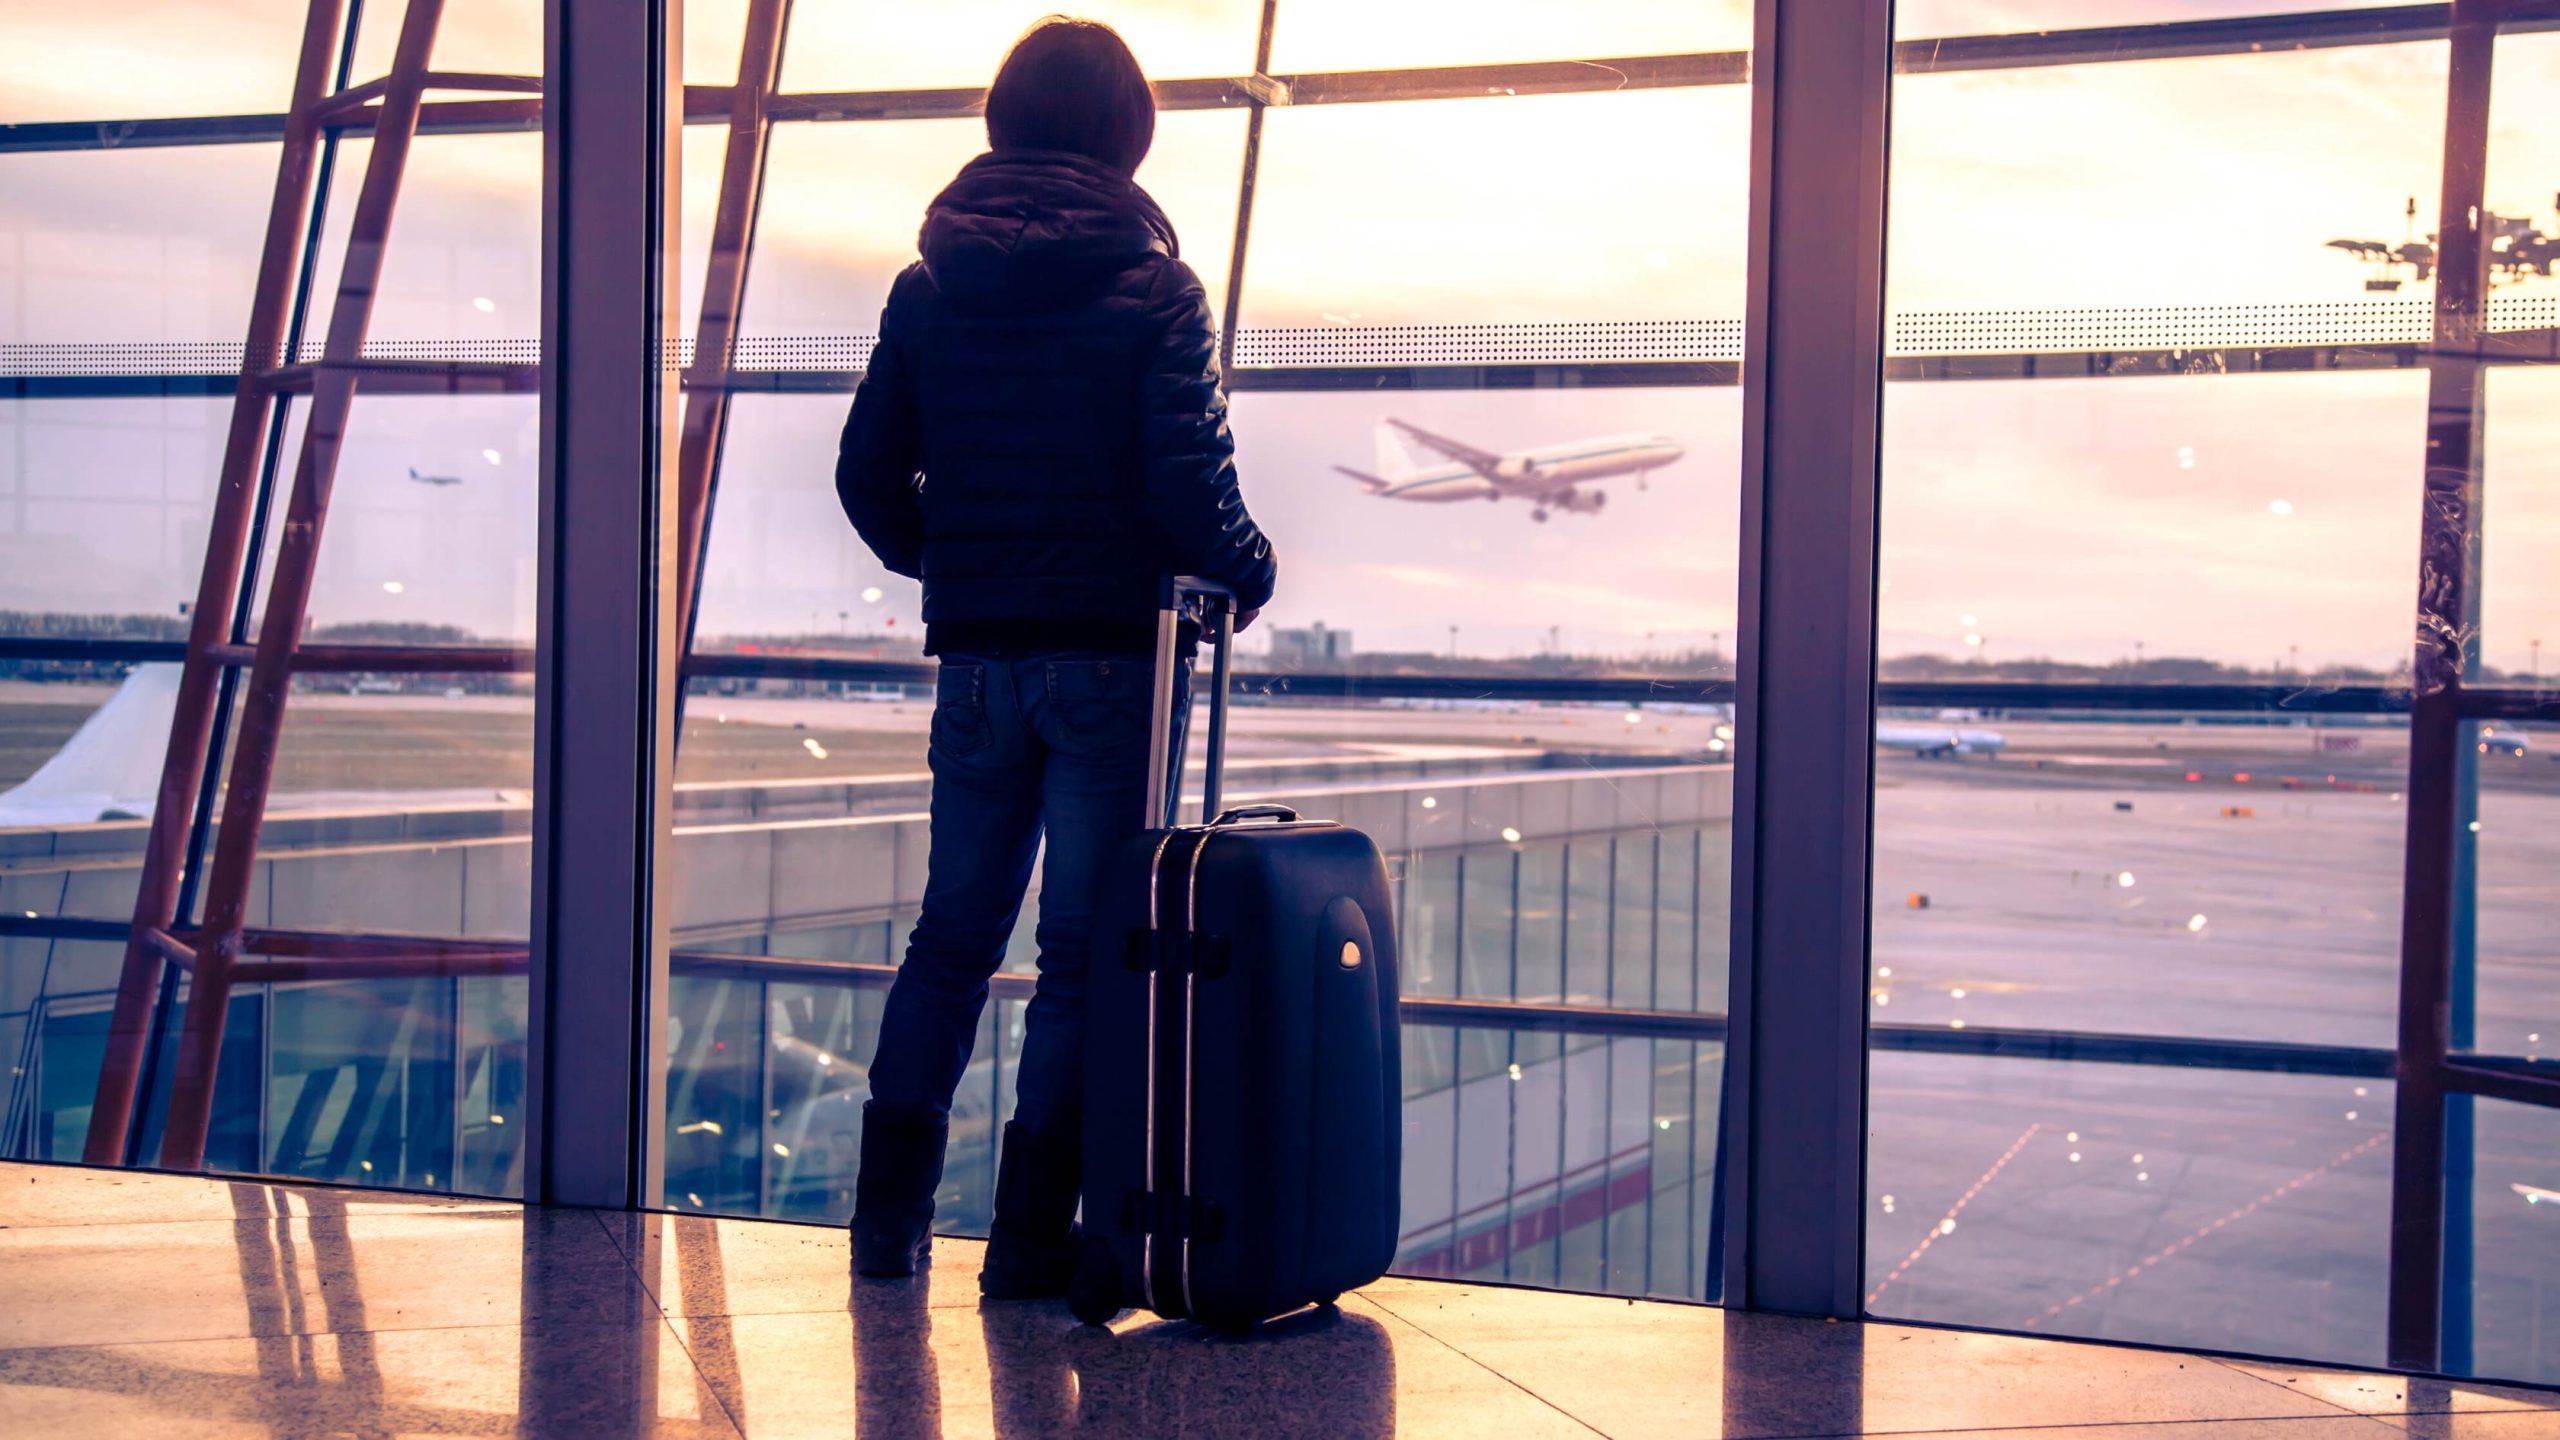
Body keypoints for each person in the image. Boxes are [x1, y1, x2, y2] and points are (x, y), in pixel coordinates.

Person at [835, 16, 1279, 1298]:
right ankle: (1028, 1244)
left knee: (950, 939)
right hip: (1104, 660)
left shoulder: (928, 288)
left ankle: (885, 1230)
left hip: (976, 659)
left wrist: (958, 566)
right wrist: (1250, 568)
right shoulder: (1154, 289)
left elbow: (869, 475)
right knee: (1081, 955)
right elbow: (1191, 488)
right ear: (1126, 135)